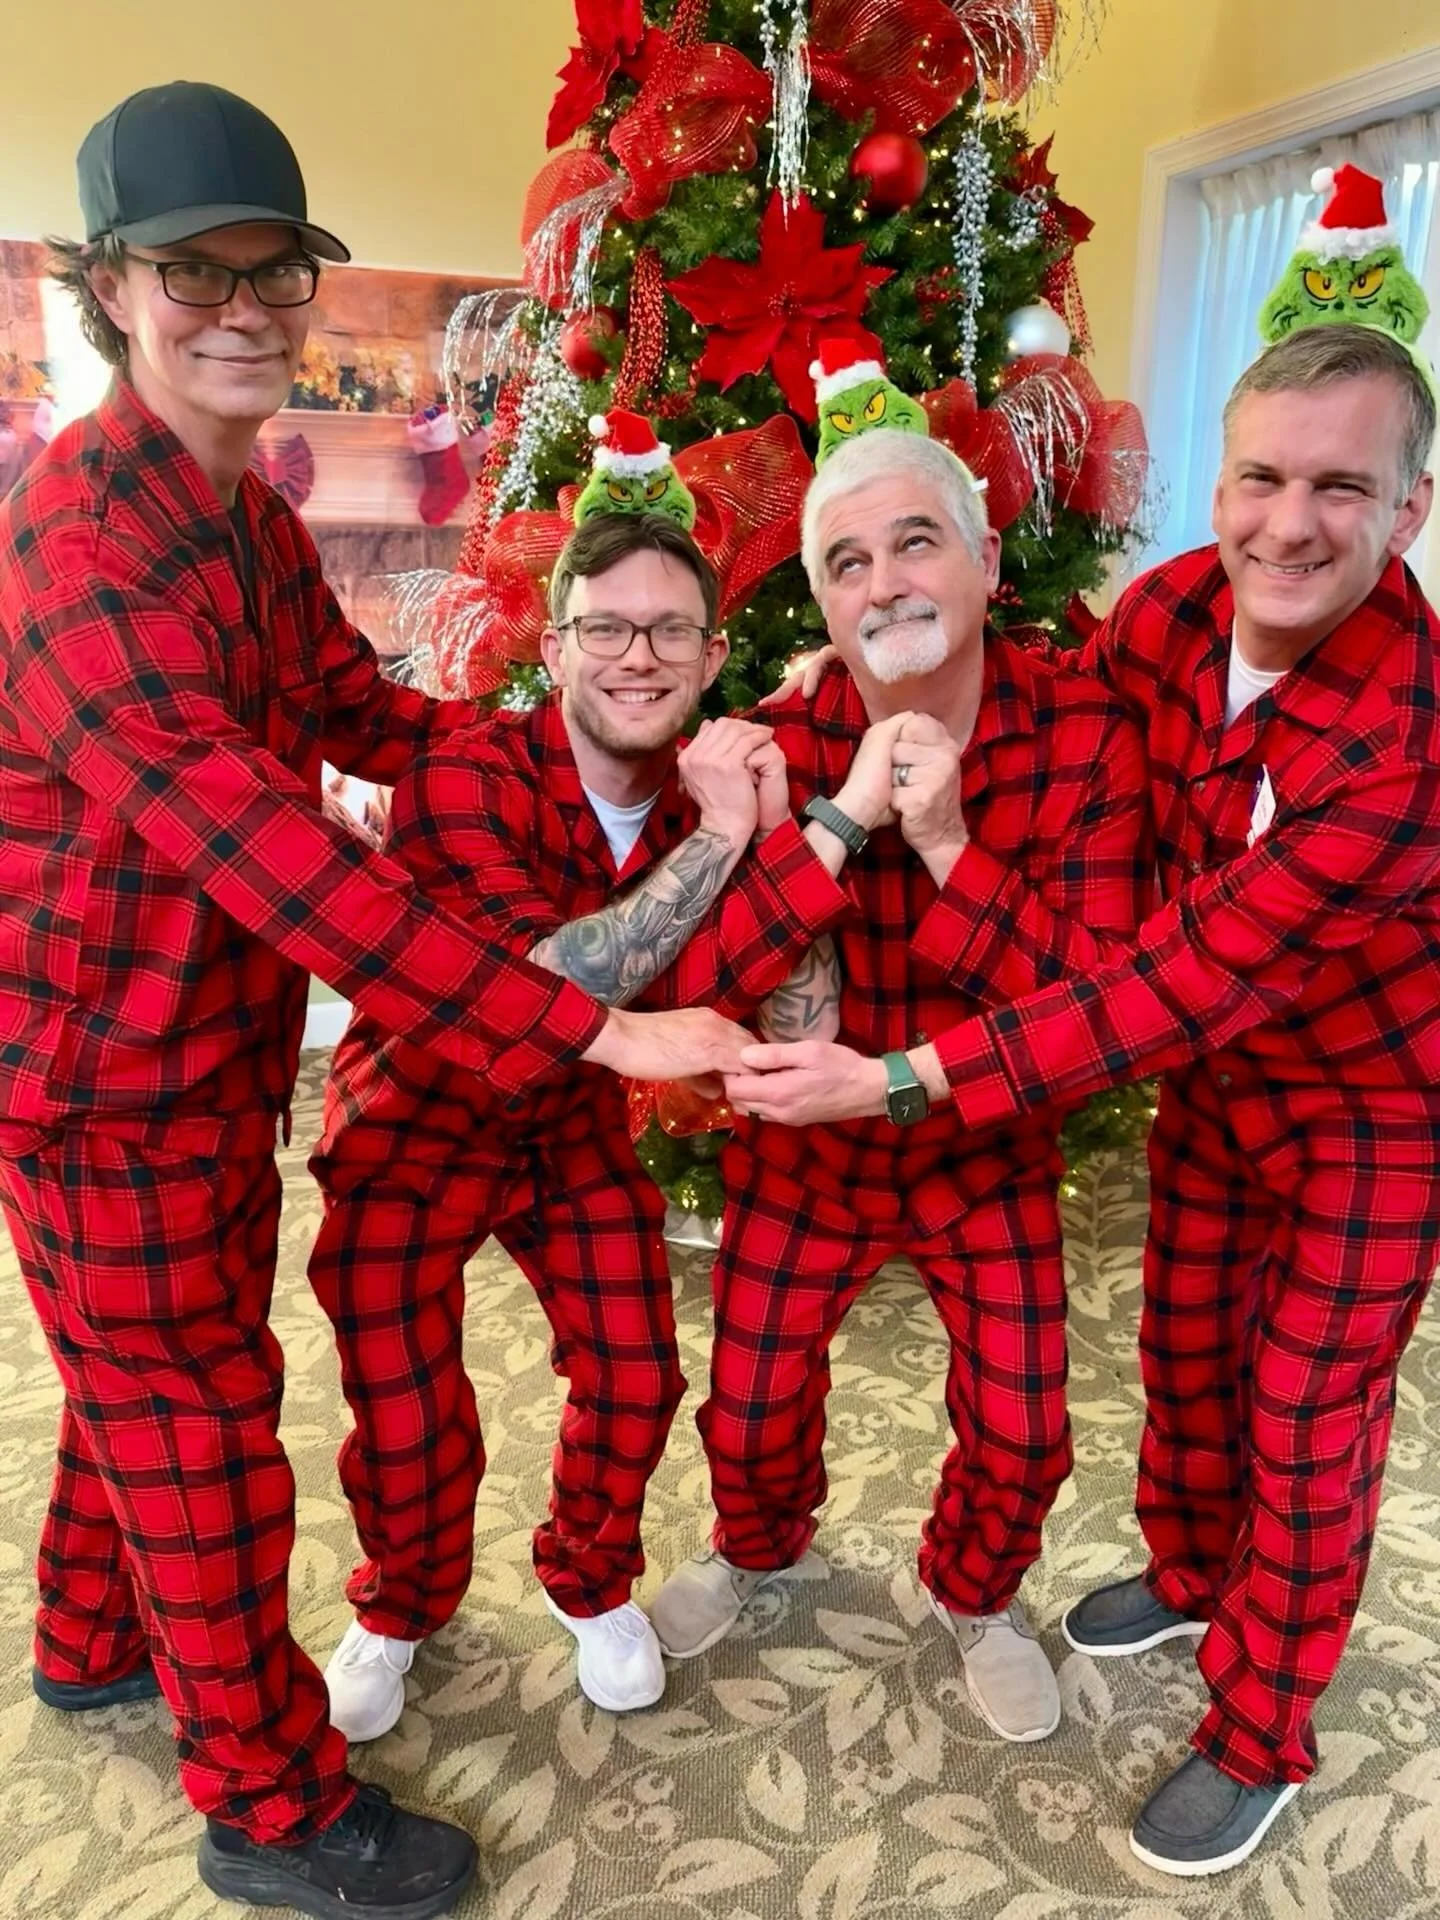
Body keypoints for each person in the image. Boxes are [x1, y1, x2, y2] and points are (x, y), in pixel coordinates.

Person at [0, 82, 745, 1920]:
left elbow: (369, 718)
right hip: (96, 1082)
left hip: (209, 1055)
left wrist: (593, 725)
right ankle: (265, 1802)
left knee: (137, 1385)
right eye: (196, 275)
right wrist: (592, 1023)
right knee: (197, 1418)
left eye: (278, 271)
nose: (245, 309)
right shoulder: (77, 555)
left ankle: (87, 1637)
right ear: (110, 288)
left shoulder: (244, 511)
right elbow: (272, 851)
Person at [728, 323, 1440, 1876]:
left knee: (1309, 1415)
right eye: (1259, 476)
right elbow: (1016, 678)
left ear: (1411, 504)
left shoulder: (1404, 745)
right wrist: (857, 651)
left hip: (1371, 1108)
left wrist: (900, 1079)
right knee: (1185, 1353)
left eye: (1342, 485)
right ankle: (1190, 1567)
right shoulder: (1178, 609)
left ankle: (1259, 1729)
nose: (1288, 522)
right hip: (1216, 1092)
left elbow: (1158, 987)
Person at [648, 416, 1154, 1746]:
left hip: (983, 1141)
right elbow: (711, 974)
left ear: (988, 562)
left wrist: (945, 846)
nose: (884, 586)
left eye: (914, 543)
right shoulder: (771, 741)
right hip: (803, 1161)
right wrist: (843, 820)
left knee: (1029, 1422)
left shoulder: (1088, 735)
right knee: (748, 1406)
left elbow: (1098, 999)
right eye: (847, 563)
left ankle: (976, 1594)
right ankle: (755, 1548)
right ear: (820, 601)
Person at [309, 510, 851, 1734]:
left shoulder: (717, 779)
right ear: (554, 648)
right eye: (606, 628)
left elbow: (797, 991)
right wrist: (721, 836)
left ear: (715, 657)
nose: (637, 657)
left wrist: (793, 775)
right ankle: (399, 1605)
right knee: (402, 1405)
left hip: (567, 1132)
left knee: (636, 1371)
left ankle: (588, 1575)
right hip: (414, 1116)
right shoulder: (464, 772)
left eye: (669, 631)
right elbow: (551, 980)